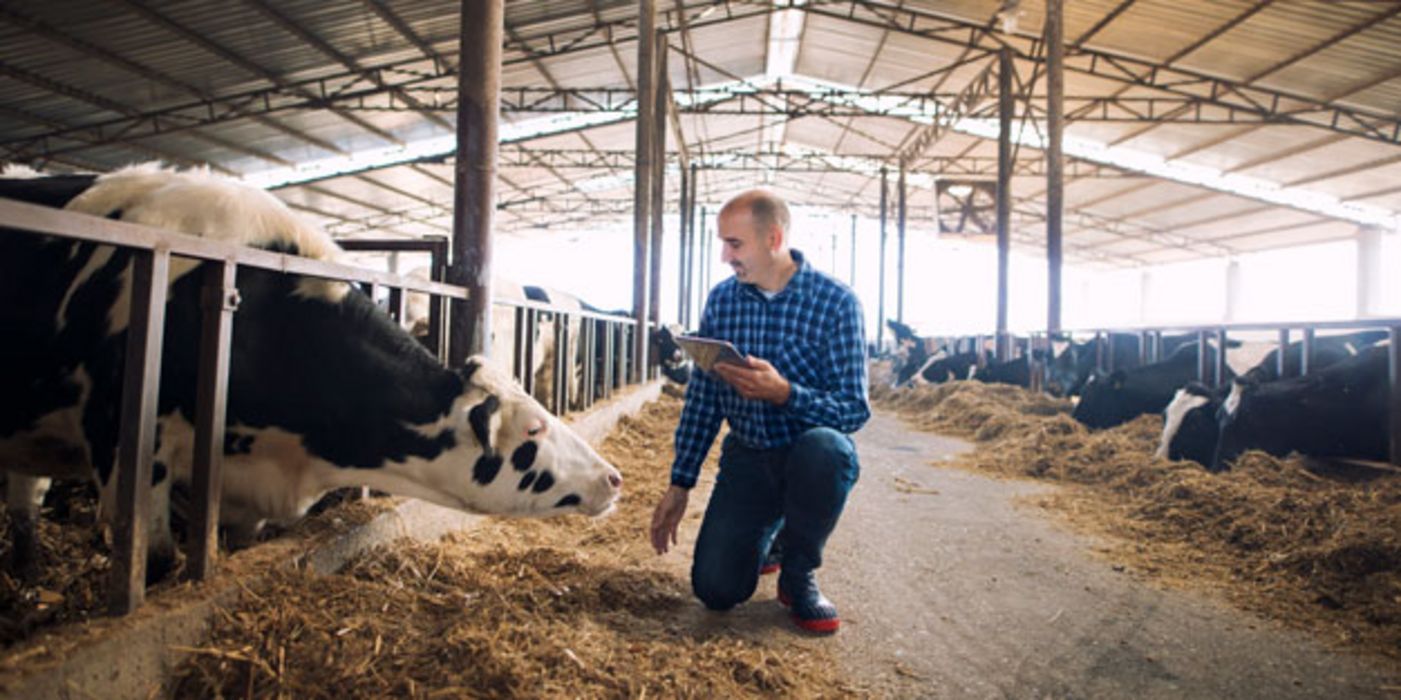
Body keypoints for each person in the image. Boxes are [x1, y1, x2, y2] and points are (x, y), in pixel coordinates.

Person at [648, 189, 870, 634]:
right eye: (723, 243)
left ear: (772, 237)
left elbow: (853, 409)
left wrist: (786, 393)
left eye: (734, 244)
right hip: (748, 457)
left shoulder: (837, 304)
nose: (725, 256)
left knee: (828, 449)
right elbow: (704, 397)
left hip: (806, 456)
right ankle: (767, 531)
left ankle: (798, 570)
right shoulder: (723, 301)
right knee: (716, 590)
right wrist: (681, 481)